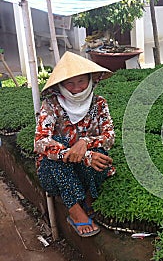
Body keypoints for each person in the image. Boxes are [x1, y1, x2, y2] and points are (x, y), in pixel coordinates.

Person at [34, 51, 115, 237]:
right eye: (69, 83)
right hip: (55, 173)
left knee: (100, 150)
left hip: (87, 170)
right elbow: (41, 142)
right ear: (61, 85)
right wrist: (82, 155)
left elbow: (109, 137)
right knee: (56, 146)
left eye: (81, 82)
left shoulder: (99, 103)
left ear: (90, 80)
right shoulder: (52, 105)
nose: (76, 88)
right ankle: (75, 209)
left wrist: (86, 142)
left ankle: (87, 199)